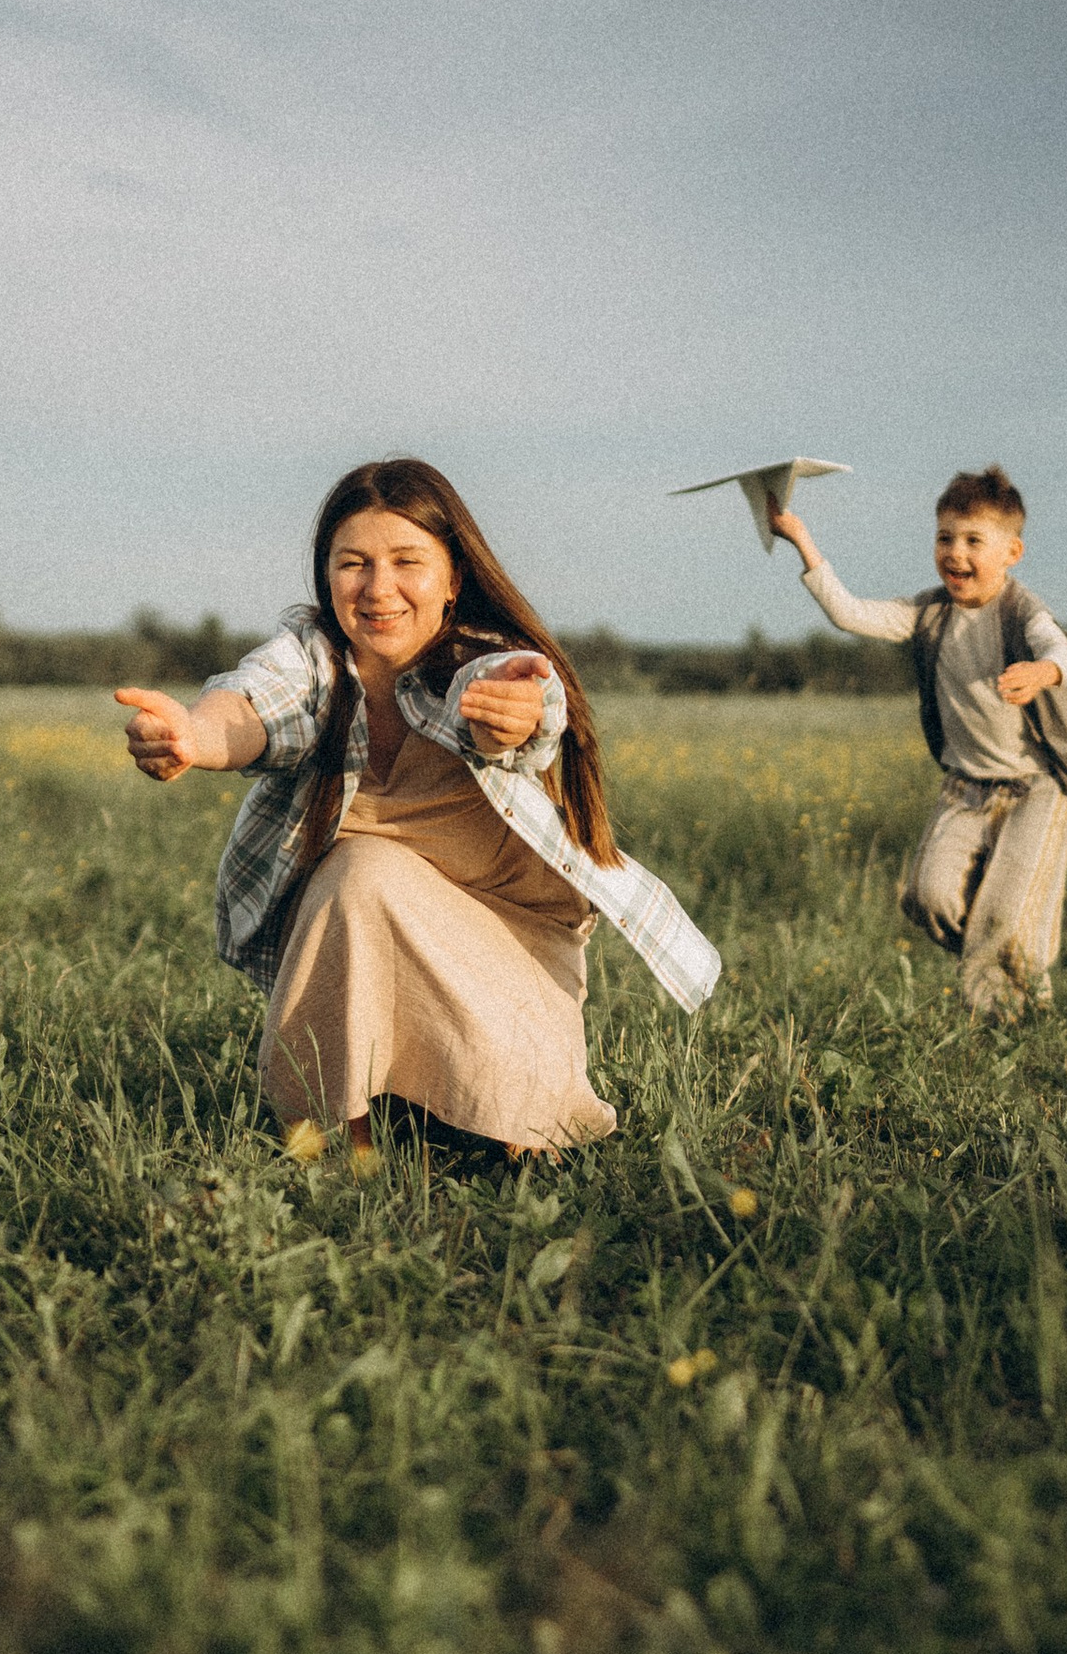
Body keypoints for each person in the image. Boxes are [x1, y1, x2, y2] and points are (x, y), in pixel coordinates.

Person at [114, 457, 718, 1154]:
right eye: (353, 564)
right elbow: (256, 704)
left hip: (509, 973)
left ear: (453, 577)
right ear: (325, 574)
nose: (379, 590)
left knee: (368, 879)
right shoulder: (314, 663)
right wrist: (194, 734)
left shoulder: (480, 666)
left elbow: (524, 700)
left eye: (408, 561)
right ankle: (339, 1140)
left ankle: (478, 1114)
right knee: (362, 873)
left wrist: (514, 717)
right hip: (378, 960)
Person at [768, 460, 1067, 1015]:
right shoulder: (929, 612)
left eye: (974, 540)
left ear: (1011, 553)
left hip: (1033, 790)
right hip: (965, 789)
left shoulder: (1020, 610)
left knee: (1007, 914)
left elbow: (1059, 648)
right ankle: (1003, 976)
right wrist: (800, 539)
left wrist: (1043, 672)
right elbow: (850, 614)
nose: (955, 552)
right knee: (927, 897)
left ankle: (1018, 1017)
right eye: (944, 538)